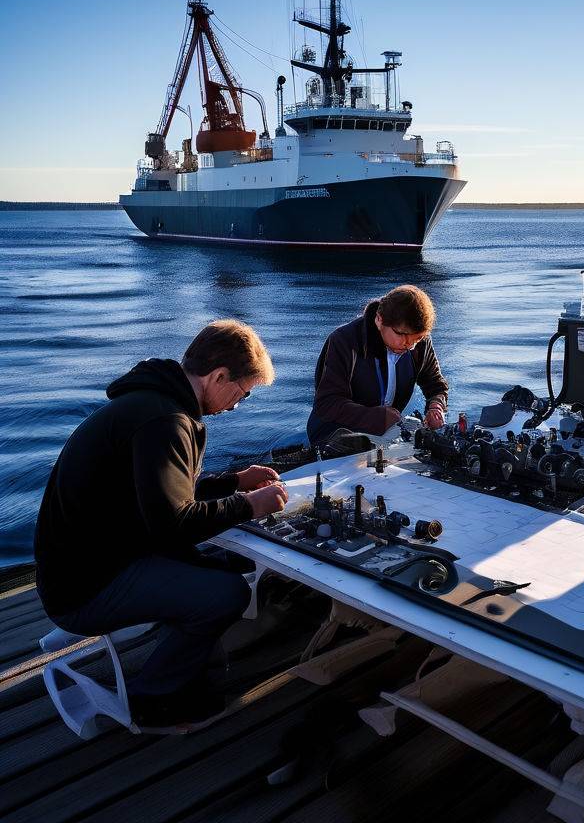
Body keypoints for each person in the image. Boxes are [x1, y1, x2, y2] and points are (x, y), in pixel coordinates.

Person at [33, 319, 287, 728]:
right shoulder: (165, 421)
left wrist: (233, 482)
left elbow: (163, 492)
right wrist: (247, 505)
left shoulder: (151, 402)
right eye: (241, 393)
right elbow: (175, 523)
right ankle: (153, 699)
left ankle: (185, 658)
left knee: (215, 565)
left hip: (87, 563)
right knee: (226, 593)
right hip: (84, 588)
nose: (236, 405)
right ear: (219, 376)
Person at [307, 285, 448, 444]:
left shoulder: (420, 342)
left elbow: (436, 385)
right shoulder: (343, 341)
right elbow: (327, 404)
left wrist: (436, 406)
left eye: (417, 339)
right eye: (401, 334)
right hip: (334, 434)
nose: (408, 344)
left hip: (387, 433)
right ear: (379, 320)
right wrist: (378, 417)